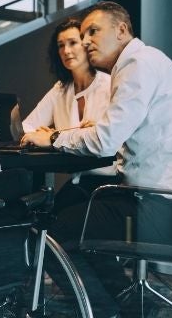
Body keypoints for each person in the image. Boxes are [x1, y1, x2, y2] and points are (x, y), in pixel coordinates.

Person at [22, 1, 172, 318]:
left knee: (49, 234)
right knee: (72, 218)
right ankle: (128, 304)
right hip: (162, 202)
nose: (86, 41)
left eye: (94, 31)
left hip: (153, 205)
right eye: (82, 34)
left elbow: (105, 140)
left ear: (122, 30)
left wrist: (55, 137)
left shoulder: (136, 65)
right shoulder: (146, 62)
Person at [19, 18, 116, 211]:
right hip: (78, 182)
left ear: (87, 45)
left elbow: (110, 139)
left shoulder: (109, 85)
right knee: (39, 213)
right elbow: (28, 128)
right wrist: (42, 133)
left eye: (73, 43)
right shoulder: (61, 89)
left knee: (52, 220)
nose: (66, 51)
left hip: (110, 182)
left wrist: (54, 136)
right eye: (60, 45)